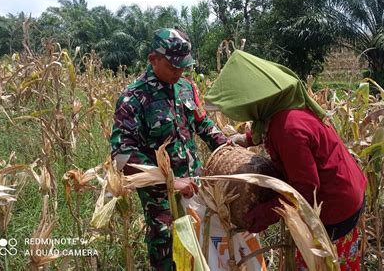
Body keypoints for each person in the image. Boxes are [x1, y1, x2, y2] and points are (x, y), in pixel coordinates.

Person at [205, 50, 367, 270]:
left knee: (324, 265)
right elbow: (268, 127)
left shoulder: (288, 128)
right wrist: (246, 138)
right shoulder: (284, 110)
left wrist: (262, 214)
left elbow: (306, 190)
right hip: (348, 190)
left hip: (335, 208)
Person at [110, 28, 227, 270]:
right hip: (162, 200)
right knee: (170, 257)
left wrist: (226, 148)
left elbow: (202, 123)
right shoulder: (133, 98)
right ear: (153, 59)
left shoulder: (185, 87)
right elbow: (122, 157)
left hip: (196, 190)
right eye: (173, 66)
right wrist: (170, 181)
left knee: (202, 254)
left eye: (184, 66)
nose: (179, 71)